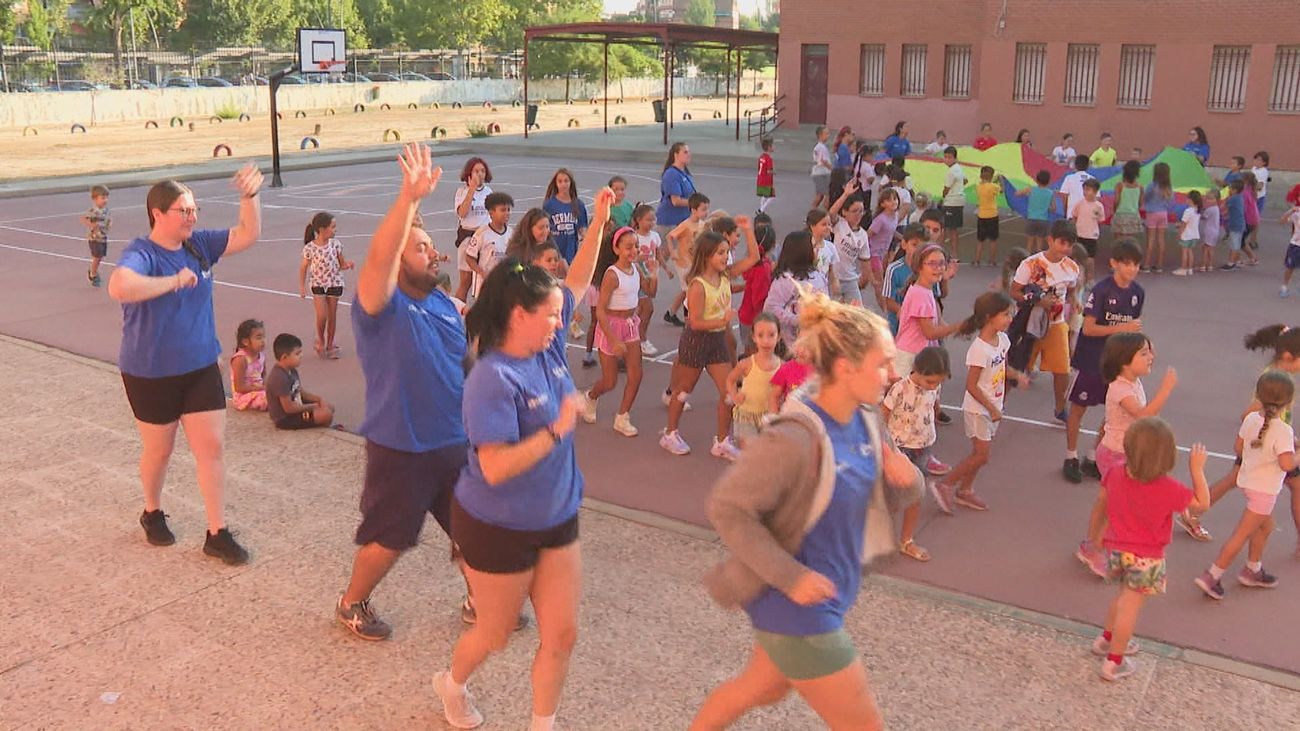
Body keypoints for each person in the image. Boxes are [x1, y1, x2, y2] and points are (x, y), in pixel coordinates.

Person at [692, 293, 921, 731]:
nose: (893, 374)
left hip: (825, 599)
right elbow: (727, 507)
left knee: (762, 688)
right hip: (795, 609)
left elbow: (881, 497)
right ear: (846, 367)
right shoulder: (795, 437)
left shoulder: (867, 419)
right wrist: (792, 577)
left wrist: (908, 480)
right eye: (883, 363)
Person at [432, 257, 588, 731]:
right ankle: (452, 684)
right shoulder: (491, 378)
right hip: (496, 525)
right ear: (520, 315)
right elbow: (496, 467)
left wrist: (602, 222)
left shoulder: (548, 348)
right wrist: (557, 430)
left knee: (561, 636)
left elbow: (579, 280)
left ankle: (543, 724)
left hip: (557, 515)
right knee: (495, 633)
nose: (562, 322)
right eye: (553, 314)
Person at [107, 164, 263, 565]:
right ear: (158, 213)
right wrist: (173, 281)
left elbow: (248, 234)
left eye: (194, 209)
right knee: (159, 450)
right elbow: (119, 286)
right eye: (184, 210)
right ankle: (152, 510)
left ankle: (217, 532)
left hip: (199, 365)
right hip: (150, 371)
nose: (192, 217)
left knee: (211, 448)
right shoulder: (142, 253)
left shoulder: (199, 245)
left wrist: (249, 196)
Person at [1094, 419, 1209, 682]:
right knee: (1130, 609)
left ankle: (1107, 639)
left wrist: (1098, 534)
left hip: (1116, 549)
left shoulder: (1115, 472)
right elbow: (1202, 504)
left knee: (1121, 597)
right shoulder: (1168, 488)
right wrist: (1197, 469)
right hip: (1146, 557)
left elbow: (1103, 502)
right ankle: (1114, 661)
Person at [1180, 325, 1300, 547]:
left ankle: (1193, 510)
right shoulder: (1278, 381)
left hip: (1266, 441)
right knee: (1296, 487)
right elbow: (1251, 413)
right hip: (1268, 445)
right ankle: (1193, 511)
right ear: (1287, 356)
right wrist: (1276, 434)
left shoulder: (1275, 374)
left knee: (1234, 479)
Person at [1075, 333, 1178, 575]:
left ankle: (1091, 546)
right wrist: (1165, 390)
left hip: (1116, 452)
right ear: (1124, 361)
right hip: (1116, 455)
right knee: (1119, 508)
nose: (1151, 357)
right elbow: (1144, 416)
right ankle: (1096, 549)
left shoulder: (1131, 382)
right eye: (1144, 353)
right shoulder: (1121, 389)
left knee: (1106, 502)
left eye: (1149, 351)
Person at [1194, 372, 1297, 600]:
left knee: (1265, 526)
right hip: (1264, 492)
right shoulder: (1284, 431)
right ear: (1288, 402)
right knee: (1241, 534)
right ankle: (1213, 575)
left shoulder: (1251, 419)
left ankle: (1253, 568)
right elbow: (1287, 464)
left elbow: (1239, 448)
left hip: (1248, 482)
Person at [1062, 240, 1146, 484]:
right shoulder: (1101, 291)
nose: (1132, 269)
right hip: (1091, 359)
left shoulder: (1138, 293)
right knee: (1078, 408)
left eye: (1136, 265)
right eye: (1127, 264)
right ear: (1114, 264)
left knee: (1114, 412)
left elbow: (1133, 328)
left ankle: (1093, 456)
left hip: (1117, 363)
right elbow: (1089, 328)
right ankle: (1070, 456)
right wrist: (1122, 328)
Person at [661, 231, 743, 460]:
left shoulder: (724, 276)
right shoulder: (697, 285)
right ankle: (670, 434)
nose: (726, 256)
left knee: (729, 392)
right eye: (720, 253)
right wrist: (722, 321)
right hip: (696, 342)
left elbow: (752, 259)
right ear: (707, 256)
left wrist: (747, 231)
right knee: (683, 391)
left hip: (716, 341)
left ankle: (722, 441)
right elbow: (694, 322)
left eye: (727, 252)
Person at [932, 292, 1014, 514]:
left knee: (981, 455)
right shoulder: (979, 349)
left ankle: (965, 490)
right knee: (981, 455)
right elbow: (971, 385)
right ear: (989, 317)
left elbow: (1003, 368)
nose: (1009, 319)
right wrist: (992, 408)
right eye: (1005, 315)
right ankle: (946, 484)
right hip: (979, 409)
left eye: (1010, 314)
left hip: (994, 406)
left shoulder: (1003, 340)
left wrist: (1017, 376)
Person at [579, 225, 655, 437]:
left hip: (630, 326)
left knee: (636, 374)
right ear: (616, 249)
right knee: (610, 381)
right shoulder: (612, 275)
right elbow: (600, 311)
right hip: (610, 328)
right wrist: (613, 339)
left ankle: (622, 416)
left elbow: (651, 292)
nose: (634, 250)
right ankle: (591, 396)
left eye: (636, 246)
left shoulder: (636, 269)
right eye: (628, 247)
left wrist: (654, 272)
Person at [882, 345, 950, 561]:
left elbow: (933, 408)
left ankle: (906, 540)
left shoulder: (934, 389)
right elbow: (883, 415)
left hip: (922, 448)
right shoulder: (900, 388)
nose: (933, 386)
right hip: (898, 449)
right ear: (917, 370)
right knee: (890, 498)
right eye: (930, 381)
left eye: (938, 382)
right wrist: (884, 446)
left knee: (916, 496)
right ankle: (879, 539)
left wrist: (932, 423)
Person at [1011, 221, 1082, 422]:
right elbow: (1014, 291)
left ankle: (1060, 408)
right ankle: (999, 403)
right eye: (1062, 243)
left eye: (1070, 245)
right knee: (1015, 366)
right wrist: (1037, 301)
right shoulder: (1030, 264)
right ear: (1050, 240)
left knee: (1063, 370)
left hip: (1056, 324)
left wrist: (1074, 300)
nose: (1065, 248)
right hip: (1029, 324)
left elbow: (1071, 289)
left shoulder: (1072, 267)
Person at [895, 244, 961, 379]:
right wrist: (957, 326)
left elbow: (937, 322)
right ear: (919, 266)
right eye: (932, 263)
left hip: (918, 355)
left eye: (942, 263)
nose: (939, 268)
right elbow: (930, 332)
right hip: (910, 357)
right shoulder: (920, 294)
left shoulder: (925, 290)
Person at [298, 211, 355, 359]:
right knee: (322, 316)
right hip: (318, 284)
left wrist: (348, 265)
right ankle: (320, 340)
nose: (335, 229)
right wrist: (302, 286)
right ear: (322, 229)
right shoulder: (310, 248)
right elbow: (303, 268)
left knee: (332, 316)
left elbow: (341, 263)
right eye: (333, 227)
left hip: (334, 283)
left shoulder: (336, 245)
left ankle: (330, 344)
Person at [764, 231, 831, 351]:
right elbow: (771, 308)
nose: (817, 250)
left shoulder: (818, 276)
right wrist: (797, 320)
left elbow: (825, 305)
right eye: (813, 247)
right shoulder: (785, 280)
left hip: (814, 343)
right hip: (789, 345)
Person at [725, 312, 783, 448]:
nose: (766, 341)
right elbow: (730, 380)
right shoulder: (746, 364)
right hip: (747, 416)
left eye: (771, 335)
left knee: (765, 452)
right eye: (760, 335)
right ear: (754, 337)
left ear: (779, 337)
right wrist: (734, 396)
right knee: (750, 451)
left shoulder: (782, 366)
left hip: (769, 416)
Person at [266, 333, 335, 429]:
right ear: (284, 357)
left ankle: (321, 425)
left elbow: (301, 392)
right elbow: (288, 408)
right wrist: (314, 406)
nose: (301, 356)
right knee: (326, 414)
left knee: (329, 407)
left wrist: (319, 399)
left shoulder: (291, 370)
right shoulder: (279, 378)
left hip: (296, 406)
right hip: (286, 418)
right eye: (297, 354)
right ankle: (321, 427)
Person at [664, 193, 712, 327]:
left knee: (688, 289)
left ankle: (671, 312)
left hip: (695, 262)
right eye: (703, 209)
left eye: (707, 209)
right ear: (693, 210)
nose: (706, 212)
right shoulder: (686, 225)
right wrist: (672, 252)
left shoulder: (703, 224)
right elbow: (669, 236)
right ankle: (689, 321)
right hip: (684, 262)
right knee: (690, 292)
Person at [454, 157, 493, 300]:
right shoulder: (462, 191)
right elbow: (462, 213)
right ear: (469, 174)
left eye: (483, 171)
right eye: (476, 171)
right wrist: (471, 190)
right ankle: (458, 309)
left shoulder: (488, 191)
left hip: (484, 237)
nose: (480, 174)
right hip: (468, 236)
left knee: (485, 279)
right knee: (466, 281)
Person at [736, 223, 777, 356]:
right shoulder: (763, 268)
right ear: (772, 245)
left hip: (746, 314)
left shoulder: (752, 263)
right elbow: (758, 300)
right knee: (755, 354)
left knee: (749, 350)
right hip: (754, 318)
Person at [464, 192, 515, 299]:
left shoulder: (511, 233)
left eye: (508, 210)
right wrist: (482, 272)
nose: (507, 213)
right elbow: (469, 257)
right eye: (503, 210)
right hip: (485, 284)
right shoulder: (481, 234)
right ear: (491, 213)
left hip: (504, 282)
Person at [828, 182, 871, 307]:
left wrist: (864, 280)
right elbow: (831, 213)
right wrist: (845, 194)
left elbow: (865, 262)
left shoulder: (863, 235)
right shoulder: (840, 224)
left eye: (861, 211)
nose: (858, 215)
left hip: (850, 280)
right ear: (844, 212)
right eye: (854, 211)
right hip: (833, 279)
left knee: (858, 313)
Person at [631, 204, 666, 355]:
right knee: (647, 308)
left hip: (650, 275)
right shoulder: (634, 237)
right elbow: (628, 257)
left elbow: (658, 253)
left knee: (643, 309)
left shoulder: (655, 236)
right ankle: (641, 339)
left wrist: (666, 268)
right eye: (648, 219)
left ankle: (636, 336)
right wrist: (637, 259)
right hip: (638, 277)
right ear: (638, 220)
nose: (652, 222)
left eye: (653, 219)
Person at [544, 168, 589, 263]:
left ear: (571, 183)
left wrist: (587, 240)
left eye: (566, 181)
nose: (563, 184)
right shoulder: (549, 205)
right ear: (556, 183)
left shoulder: (578, 204)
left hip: (571, 250)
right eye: (560, 181)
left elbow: (582, 227)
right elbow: (544, 227)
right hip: (554, 249)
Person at [657, 142, 697, 241]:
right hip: (671, 222)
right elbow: (676, 201)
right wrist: (696, 203)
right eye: (685, 152)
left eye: (689, 152)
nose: (689, 155)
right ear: (676, 154)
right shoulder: (672, 174)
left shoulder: (684, 173)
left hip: (683, 220)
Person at [229, 319, 268, 412]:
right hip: (243, 397)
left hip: (259, 391)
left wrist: (268, 387)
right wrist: (260, 388)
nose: (263, 341)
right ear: (246, 342)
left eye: (264, 337)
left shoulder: (262, 355)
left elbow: (264, 376)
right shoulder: (240, 359)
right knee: (269, 398)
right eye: (258, 338)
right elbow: (239, 387)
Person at [1141, 163, 1173, 273]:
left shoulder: (1152, 185)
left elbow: (1145, 196)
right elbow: (1171, 202)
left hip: (1152, 213)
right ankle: (1159, 265)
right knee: (1161, 240)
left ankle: (1146, 265)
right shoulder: (1169, 187)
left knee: (1151, 240)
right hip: (1163, 213)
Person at [1016, 170, 1056, 253]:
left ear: (1036, 180)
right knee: (1039, 244)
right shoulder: (1050, 193)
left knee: (1029, 242)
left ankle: (1028, 256)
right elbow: (1053, 208)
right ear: (1049, 181)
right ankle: (1039, 257)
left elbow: (1017, 193)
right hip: (1043, 220)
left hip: (1031, 218)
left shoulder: (1031, 189)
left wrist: (1025, 192)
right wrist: (1046, 207)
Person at [1070, 178, 1105, 272]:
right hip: (1079, 234)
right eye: (1084, 189)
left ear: (1095, 191)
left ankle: (1090, 277)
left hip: (1091, 236)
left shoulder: (1099, 206)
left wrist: (1096, 232)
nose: (1085, 192)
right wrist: (1073, 230)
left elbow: (1100, 220)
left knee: (1090, 257)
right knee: (1077, 256)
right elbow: (1074, 217)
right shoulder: (1079, 203)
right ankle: (1076, 274)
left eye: (1088, 189)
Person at [80, 184, 111, 287]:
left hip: (103, 237)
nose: (105, 200)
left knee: (100, 256)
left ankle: (93, 271)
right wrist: (92, 225)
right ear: (95, 199)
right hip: (94, 238)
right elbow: (84, 219)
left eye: (106, 198)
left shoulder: (106, 210)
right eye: (103, 198)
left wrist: (109, 224)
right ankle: (92, 274)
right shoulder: (93, 211)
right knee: (97, 256)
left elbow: (108, 220)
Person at [940, 146, 966, 258]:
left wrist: (943, 196)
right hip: (959, 201)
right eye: (945, 157)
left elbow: (946, 188)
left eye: (949, 157)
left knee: (944, 228)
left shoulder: (951, 172)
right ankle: (954, 253)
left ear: (955, 158)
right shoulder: (959, 168)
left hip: (951, 202)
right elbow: (965, 180)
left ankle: (941, 250)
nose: (947, 159)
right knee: (953, 228)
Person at [974, 166, 1002, 267]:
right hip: (992, 215)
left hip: (982, 215)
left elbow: (986, 185)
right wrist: (1001, 181)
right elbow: (1001, 190)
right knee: (993, 240)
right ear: (991, 176)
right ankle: (992, 261)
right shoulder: (994, 186)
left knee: (980, 240)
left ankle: (977, 260)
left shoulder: (978, 187)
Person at [1111, 160, 1145, 244]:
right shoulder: (1140, 187)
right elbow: (1140, 203)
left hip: (1120, 214)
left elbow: (1116, 201)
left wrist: (1114, 210)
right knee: (1130, 241)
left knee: (1118, 241)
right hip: (1133, 215)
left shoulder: (1119, 186)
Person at [1219, 180, 1249, 271]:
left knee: (1234, 245)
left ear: (1235, 190)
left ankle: (1231, 263)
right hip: (1240, 224)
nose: (1229, 190)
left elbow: (1223, 207)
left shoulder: (1233, 199)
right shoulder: (1239, 197)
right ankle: (1236, 261)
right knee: (1236, 244)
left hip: (1235, 225)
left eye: (1230, 188)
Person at [1173, 190, 1204, 276]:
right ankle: (1190, 269)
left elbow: (1184, 224)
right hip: (1194, 235)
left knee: (1184, 252)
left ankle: (1183, 268)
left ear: (1190, 200)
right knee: (1190, 251)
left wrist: (1179, 233)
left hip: (1186, 235)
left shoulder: (1188, 211)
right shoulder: (1197, 211)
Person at [1058, 155, 1094, 226]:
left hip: (1072, 215)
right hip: (1088, 216)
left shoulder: (1069, 178)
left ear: (1075, 165)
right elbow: (1096, 198)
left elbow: (1064, 196)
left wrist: (1065, 211)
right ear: (1087, 166)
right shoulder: (1092, 179)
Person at [810, 125, 833, 210]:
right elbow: (824, 161)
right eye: (826, 134)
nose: (828, 136)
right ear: (820, 135)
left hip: (821, 173)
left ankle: (814, 210)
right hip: (821, 173)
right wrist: (832, 169)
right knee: (826, 194)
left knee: (821, 195)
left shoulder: (820, 147)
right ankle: (824, 212)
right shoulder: (821, 147)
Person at [1199, 188, 1222, 273]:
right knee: (1211, 248)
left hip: (1209, 231)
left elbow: (1203, 216)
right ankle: (1210, 265)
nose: (1209, 200)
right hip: (1215, 231)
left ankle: (1203, 265)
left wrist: (1199, 212)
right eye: (1208, 198)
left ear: (1217, 200)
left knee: (1205, 248)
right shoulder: (1216, 208)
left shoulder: (1210, 209)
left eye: (1211, 199)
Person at [1282, 199, 1300, 297]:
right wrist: (1290, 211)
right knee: (1290, 267)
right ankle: (1284, 287)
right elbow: (1282, 221)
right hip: (1295, 244)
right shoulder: (1296, 213)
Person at [756, 137, 776, 213]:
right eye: (772, 146)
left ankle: (761, 210)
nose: (774, 147)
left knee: (764, 196)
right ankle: (761, 210)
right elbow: (769, 171)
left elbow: (759, 168)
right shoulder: (769, 159)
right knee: (772, 197)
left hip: (760, 179)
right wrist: (774, 172)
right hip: (767, 181)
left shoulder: (761, 157)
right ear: (769, 148)